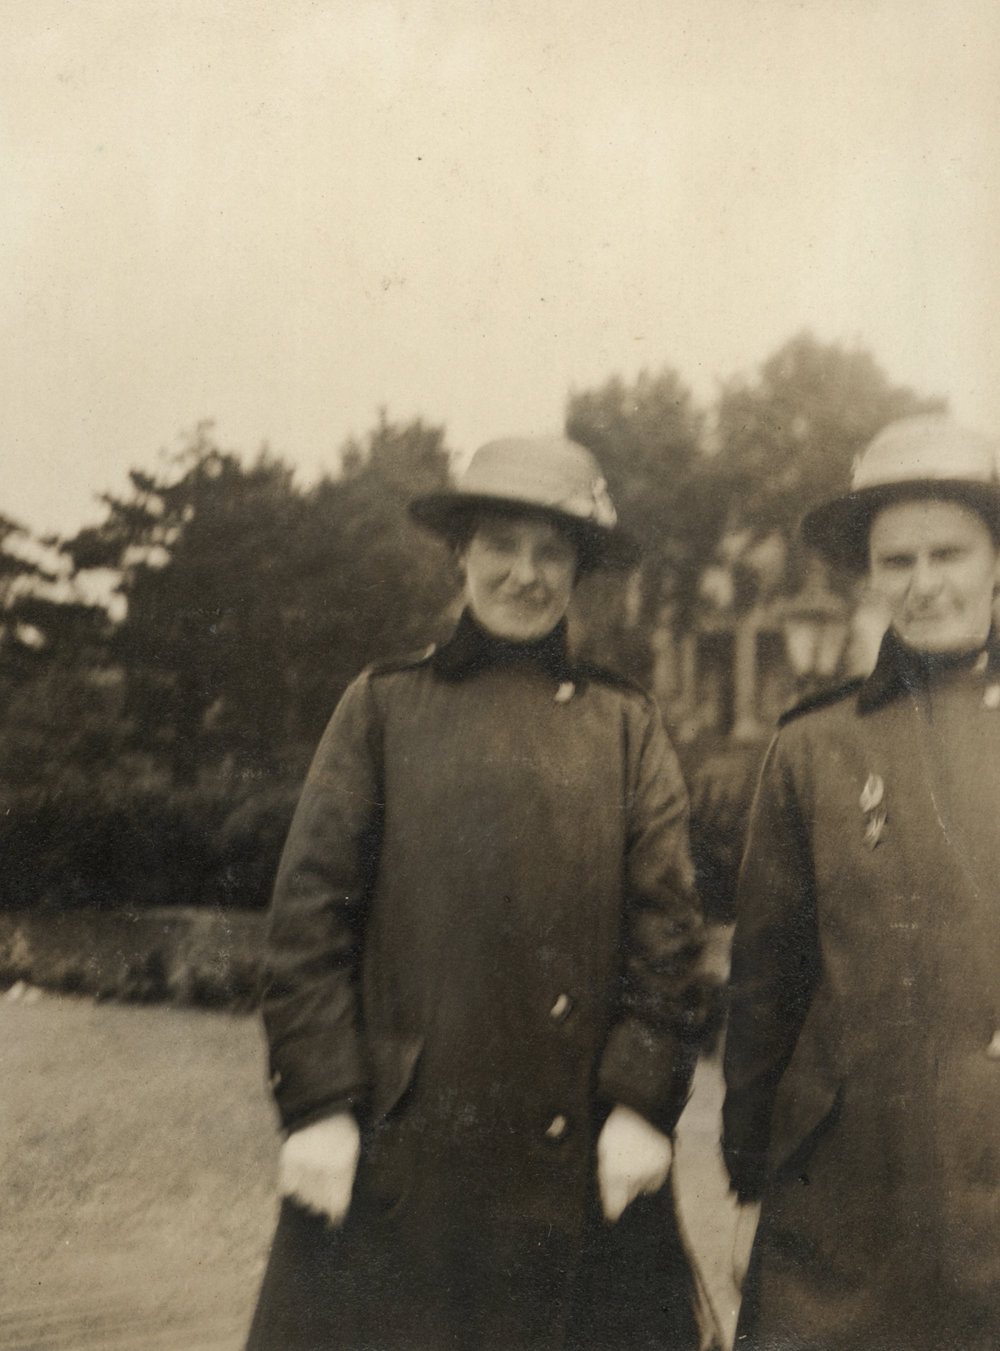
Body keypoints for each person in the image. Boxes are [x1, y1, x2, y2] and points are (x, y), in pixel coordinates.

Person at [246, 436, 717, 1351]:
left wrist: (639, 1105)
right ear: (460, 551)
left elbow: (668, 935)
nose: (525, 574)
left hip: (579, 1156)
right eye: (502, 544)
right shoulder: (382, 707)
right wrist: (319, 1106)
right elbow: (307, 925)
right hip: (406, 1158)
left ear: (580, 568)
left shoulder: (626, 725)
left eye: (553, 551)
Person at [722, 413, 1000, 1350]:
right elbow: (767, 986)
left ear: (997, 561)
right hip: (841, 1203)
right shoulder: (816, 745)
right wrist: (746, 1182)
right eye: (897, 562)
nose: (924, 585)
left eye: (949, 553)